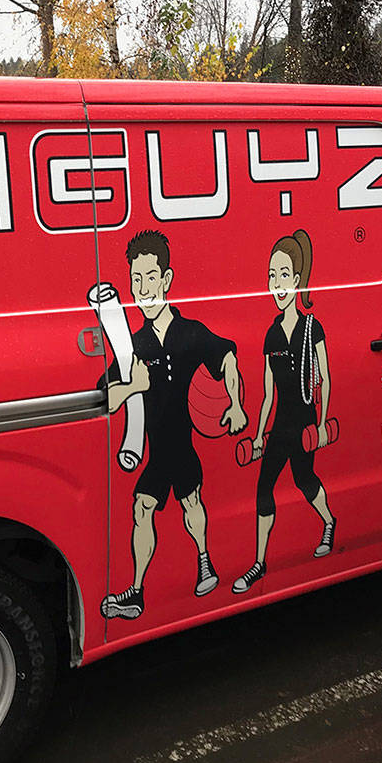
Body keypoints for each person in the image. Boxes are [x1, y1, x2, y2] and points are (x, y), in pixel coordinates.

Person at [101, 230, 247, 620]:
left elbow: (228, 356)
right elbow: (107, 398)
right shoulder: (133, 346)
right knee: (142, 508)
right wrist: (132, 384)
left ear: (166, 280)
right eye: (135, 279)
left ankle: (204, 562)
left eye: (150, 278)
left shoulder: (190, 333)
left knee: (191, 502)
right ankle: (135, 592)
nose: (143, 288)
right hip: (155, 449)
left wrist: (235, 405)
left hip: (181, 446)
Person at [232, 229, 336, 594]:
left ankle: (328, 522)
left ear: (296, 280)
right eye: (271, 275)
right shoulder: (271, 334)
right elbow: (266, 393)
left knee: (305, 482)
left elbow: (323, 378)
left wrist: (322, 425)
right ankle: (259, 563)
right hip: (280, 426)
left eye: (283, 275)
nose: (276, 283)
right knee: (264, 488)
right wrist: (260, 434)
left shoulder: (312, 326)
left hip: (306, 420)